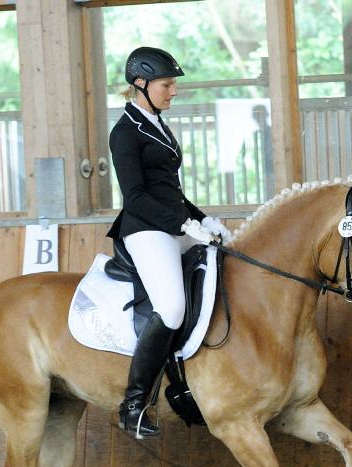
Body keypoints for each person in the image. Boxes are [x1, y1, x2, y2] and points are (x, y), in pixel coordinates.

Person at [106, 46, 232, 439]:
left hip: (170, 222)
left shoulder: (156, 123)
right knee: (173, 307)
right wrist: (184, 225)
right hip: (144, 230)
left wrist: (201, 218)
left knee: (223, 266)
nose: (172, 91)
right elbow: (137, 197)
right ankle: (134, 404)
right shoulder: (125, 132)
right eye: (166, 84)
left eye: (172, 84)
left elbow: (169, 190)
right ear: (140, 84)